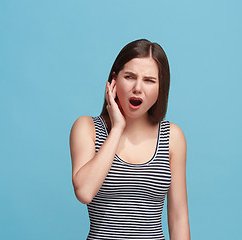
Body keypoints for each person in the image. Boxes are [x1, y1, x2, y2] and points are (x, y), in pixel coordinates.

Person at [69, 39, 190, 239]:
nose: (137, 88)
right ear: (114, 81)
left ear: (161, 87)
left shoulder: (172, 137)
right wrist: (117, 128)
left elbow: (178, 218)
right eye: (130, 77)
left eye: (149, 80)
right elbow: (85, 191)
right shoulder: (87, 128)